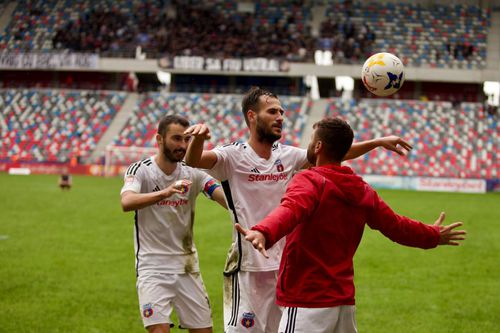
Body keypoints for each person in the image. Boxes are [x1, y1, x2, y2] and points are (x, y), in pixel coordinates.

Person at [184, 87, 414, 333]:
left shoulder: (288, 155)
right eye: (272, 111)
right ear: (252, 116)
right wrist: (198, 138)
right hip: (249, 267)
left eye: (281, 111)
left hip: (285, 269)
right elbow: (193, 161)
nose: (280, 116)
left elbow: (331, 151)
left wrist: (377, 143)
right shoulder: (231, 156)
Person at [235, 117, 466, 333]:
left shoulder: (310, 179)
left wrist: (263, 231)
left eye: (311, 140)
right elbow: (397, 226)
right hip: (343, 303)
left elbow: (291, 209)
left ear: (318, 147)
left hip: (307, 300)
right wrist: (432, 235)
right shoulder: (362, 189)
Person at [120, 114, 227, 333]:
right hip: (152, 267)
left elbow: (223, 197)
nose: (182, 145)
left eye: (186, 140)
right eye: (176, 139)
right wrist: (165, 192)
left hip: (187, 266)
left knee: (204, 331)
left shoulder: (193, 172)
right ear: (159, 140)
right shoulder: (141, 170)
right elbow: (127, 201)